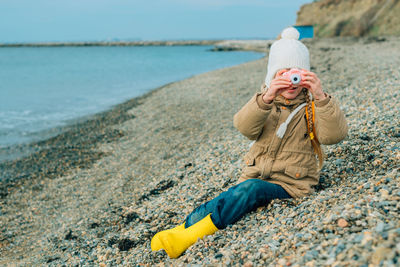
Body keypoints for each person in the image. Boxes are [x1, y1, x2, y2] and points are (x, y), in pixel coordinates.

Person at [150, 27, 348, 259]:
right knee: (228, 195)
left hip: (291, 185)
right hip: (255, 176)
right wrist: (266, 98)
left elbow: (334, 136)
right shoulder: (265, 102)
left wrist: (321, 96)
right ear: (273, 74)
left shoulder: (314, 107)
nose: (291, 82)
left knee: (249, 190)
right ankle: (183, 227)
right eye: (283, 74)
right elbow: (244, 127)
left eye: (297, 74)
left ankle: (189, 237)